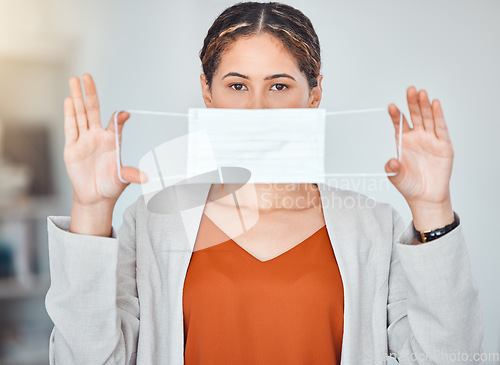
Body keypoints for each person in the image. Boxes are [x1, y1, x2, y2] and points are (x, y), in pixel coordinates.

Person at [45, 2, 484, 364]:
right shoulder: (153, 221)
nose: (257, 109)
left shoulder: (375, 227)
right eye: (237, 86)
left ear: (313, 96)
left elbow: (451, 357)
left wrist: (433, 208)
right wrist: (91, 209)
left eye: (278, 86)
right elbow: (85, 357)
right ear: (207, 92)